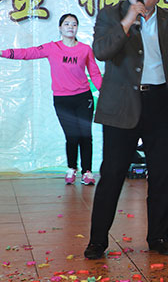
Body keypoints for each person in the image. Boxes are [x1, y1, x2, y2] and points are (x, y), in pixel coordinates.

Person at [84, 0, 168, 259]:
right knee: (112, 173)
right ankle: (98, 240)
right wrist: (128, 20)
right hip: (122, 104)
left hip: (160, 103)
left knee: (164, 174)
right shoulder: (111, 14)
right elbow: (101, 51)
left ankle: (159, 236)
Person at [1, 14, 102, 185]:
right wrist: (3, 53)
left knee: (85, 135)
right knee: (72, 136)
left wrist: (105, 93)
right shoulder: (52, 48)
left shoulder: (85, 49)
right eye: (67, 24)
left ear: (77, 28)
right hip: (62, 99)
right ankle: (72, 168)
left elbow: (95, 73)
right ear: (60, 28)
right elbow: (27, 53)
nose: (70, 27)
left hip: (83, 98)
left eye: (74, 24)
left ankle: (87, 172)